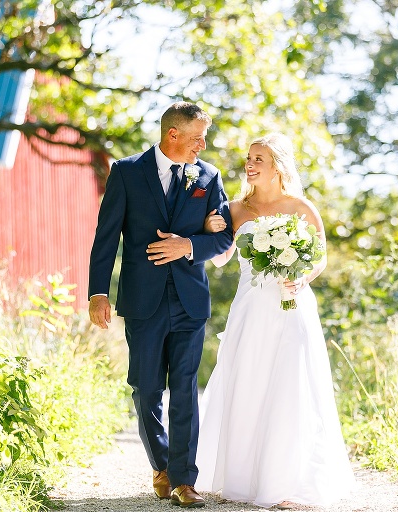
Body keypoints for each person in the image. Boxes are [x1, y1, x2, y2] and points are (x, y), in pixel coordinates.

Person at [196, 133, 355, 509]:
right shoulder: (234, 209)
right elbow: (220, 260)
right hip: (250, 308)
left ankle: (286, 481)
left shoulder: (300, 207)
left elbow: (320, 258)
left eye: (259, 159)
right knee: (248, 381)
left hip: (292, 305)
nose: (250, 165)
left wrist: (303, 277)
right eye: (249, 158)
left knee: (290, 384)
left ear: (278, 166)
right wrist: (209, 231)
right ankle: (245, 476)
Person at [88, 102, 233, 508]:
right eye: (198, 137)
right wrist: (97, 292)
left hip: (190, 300)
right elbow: (106, 237)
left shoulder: (208, 176)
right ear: (173, 134)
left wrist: (188, 245)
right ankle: (162, 463)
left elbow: (223, 238)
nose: (203, 146)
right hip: (142, 300)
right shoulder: (127, 172)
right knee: (146, 387)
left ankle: (186, 480)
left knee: (185, 387)